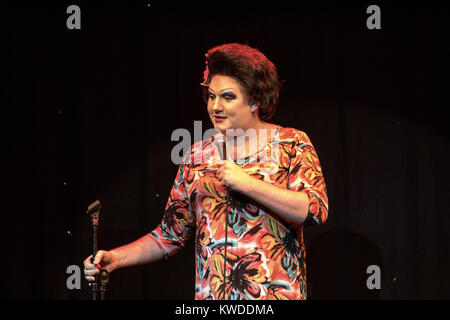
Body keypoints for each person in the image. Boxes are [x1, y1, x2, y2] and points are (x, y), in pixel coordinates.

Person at [84, 43, 329, 300]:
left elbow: (314, 209)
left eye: (228, 97)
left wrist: (248, 183)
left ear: (255, 99)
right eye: (211, 96)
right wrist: (115, 258)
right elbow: (170, 233)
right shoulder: (196, 156)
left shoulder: (291, 142)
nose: (215, 106)